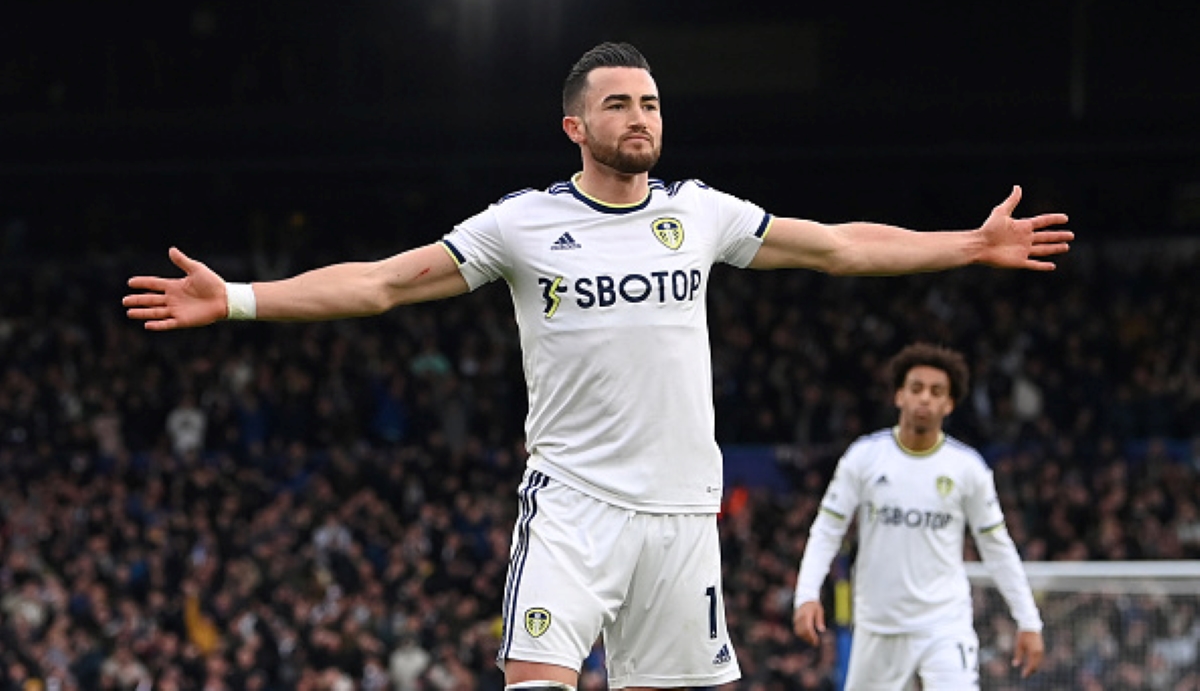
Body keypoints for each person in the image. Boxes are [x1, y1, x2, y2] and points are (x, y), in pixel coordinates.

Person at [124, 42, 1070, 691]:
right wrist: (240, 296)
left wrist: (967, 244)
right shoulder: (521, 224)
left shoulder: (699, 212)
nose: (639, 116)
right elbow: (380, 284)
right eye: (617, 103)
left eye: (650, 102)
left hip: (681, 518)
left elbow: (838, 248)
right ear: (574, 125)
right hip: (573, 508)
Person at [792, 342, 1045, 690]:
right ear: (899, 396)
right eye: (916, 389)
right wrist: (806, 594)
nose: (925, 398)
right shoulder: (864, 457)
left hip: (944, 624)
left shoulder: (967, 468)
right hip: (878, 626)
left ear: (949, 404)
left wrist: (1028, 621)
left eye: (936, 391)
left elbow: (997, 547)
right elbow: (827, 530)